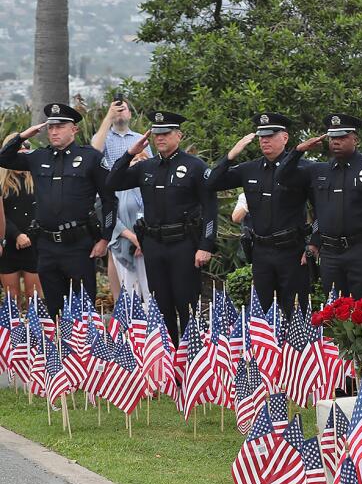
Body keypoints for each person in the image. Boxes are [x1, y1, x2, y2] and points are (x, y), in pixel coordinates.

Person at [106, 111, 216, 343]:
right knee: (161, 307)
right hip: (154, 245)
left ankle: (192, 362)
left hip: (184, 244)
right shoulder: (147, 167)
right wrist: (129, 154)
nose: (160, 138)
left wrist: (206, 244)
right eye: (157, 134)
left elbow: (210, 209)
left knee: (187, 306)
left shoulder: (195, 166)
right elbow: (112, 182)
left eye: (166, 133)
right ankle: (169, 366)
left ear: (179, 135)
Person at [0, 103, 115, 318]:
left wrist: (105, 239)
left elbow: (109, 201)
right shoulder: (39, 157)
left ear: (74, 129)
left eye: (60, 126)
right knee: (54, 309)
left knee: (84, 310)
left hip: (79, 245)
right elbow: (3, 158)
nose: (54, 132)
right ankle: (60, 350)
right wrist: (23, 135)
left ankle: (84, 351)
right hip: (46, 246)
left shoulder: (91, 158)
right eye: (51, 127)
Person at [208, 112, 313, 314]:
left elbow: (319, 207)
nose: (264, 141)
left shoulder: (303, 168)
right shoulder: (250, 169)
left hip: (292, 251)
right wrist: (231, 155)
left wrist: (314, 243)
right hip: (261, 252)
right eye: (261, 137)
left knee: (296, 313)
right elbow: (212, 183)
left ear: (285, 137)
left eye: (271, 135)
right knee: (261, 313)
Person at [280, 114, 362, 300]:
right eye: (332, 138)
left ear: (355, 139)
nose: (336, 142)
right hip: (330, 253)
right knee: (335, 313)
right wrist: (298, 151)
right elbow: (281, 177)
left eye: (342, 137)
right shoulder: (318, 171)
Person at [92, 97, 151, 299]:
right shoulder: (104, 137)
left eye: (122, 109)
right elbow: (94, 152)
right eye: (114, 110)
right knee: (114, 251)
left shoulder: (140, 138)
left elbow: (150, 165)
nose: (119, 112)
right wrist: (108, 117)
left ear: (130, 114)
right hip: (112, 200)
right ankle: (120, 307)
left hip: (139, 200)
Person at [0, 134, 41, 306]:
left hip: (34, 243)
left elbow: (44, 210)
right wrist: (16, 235)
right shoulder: (2, 182)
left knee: (35, 296)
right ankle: (13, 332)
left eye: (25, 152)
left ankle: (37, 332)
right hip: (8, 244)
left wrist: (30, 235)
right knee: (12, 297)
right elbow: (1, 216)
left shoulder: (38, 179)